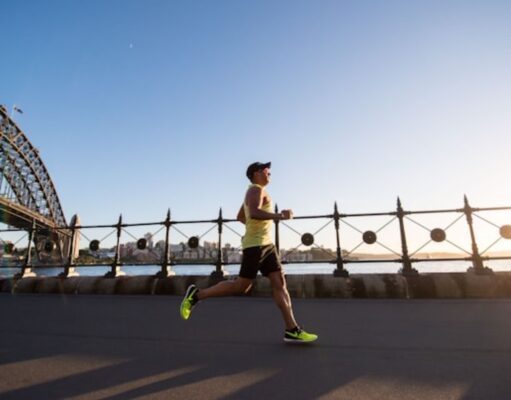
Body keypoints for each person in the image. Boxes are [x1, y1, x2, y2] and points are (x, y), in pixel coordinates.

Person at [180, 161, 318, 343]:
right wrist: (280, 216)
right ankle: (196, 295)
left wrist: (255, 228)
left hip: (267, 245)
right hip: (255, 246)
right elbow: (253, 213)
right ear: (256, 173)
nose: (269, 172)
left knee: (279, 282)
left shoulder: (256, 191)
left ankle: (292, 329)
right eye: (266, 170)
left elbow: (241, 216)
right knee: (242, 286)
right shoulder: (255, 190)